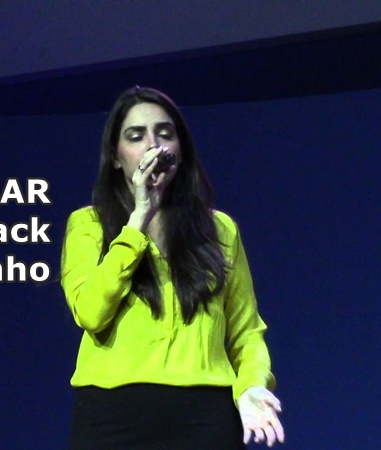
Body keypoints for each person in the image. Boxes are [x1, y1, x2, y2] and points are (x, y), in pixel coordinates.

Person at [60, 86, 284, 449]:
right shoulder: (88, 224)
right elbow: (90, 312)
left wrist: (251, 385)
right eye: (136, 136)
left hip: (205, 417)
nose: (154, 146)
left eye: (165, 134)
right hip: (111, 419)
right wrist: (137, 222)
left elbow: (247, 332)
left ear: (181, 150)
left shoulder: (219, 229)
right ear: (116, 157)